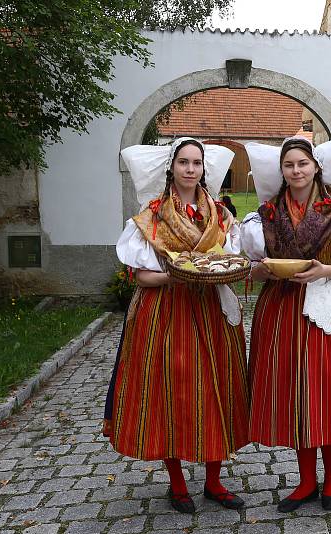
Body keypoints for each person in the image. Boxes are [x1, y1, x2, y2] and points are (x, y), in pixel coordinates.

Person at [241, 135, 331, 512]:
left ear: (316, 167)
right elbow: (254, 269)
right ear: (282, 171)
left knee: (329, 393)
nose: (296, 171)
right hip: (282, 310)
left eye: (302, 164)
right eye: (289, 165)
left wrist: (326, 270)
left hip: (330, 311)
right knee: (295, 395)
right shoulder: (266, 215)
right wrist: (267, 272)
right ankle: (306, 481)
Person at [104, 138, 249, 514]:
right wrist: (177, 276)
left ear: (204, 168)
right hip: (166, 312)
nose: (190, 169)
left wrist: (211, 272)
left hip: (212, 310)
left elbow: (231, 259)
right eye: (183, 162)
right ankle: (178, 484)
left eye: (196, 163)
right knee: (172, 392)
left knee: (218, 387)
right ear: (171, 168)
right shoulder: (151, 217)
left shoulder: (220, 214)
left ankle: (215, 482)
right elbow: (141, 278)